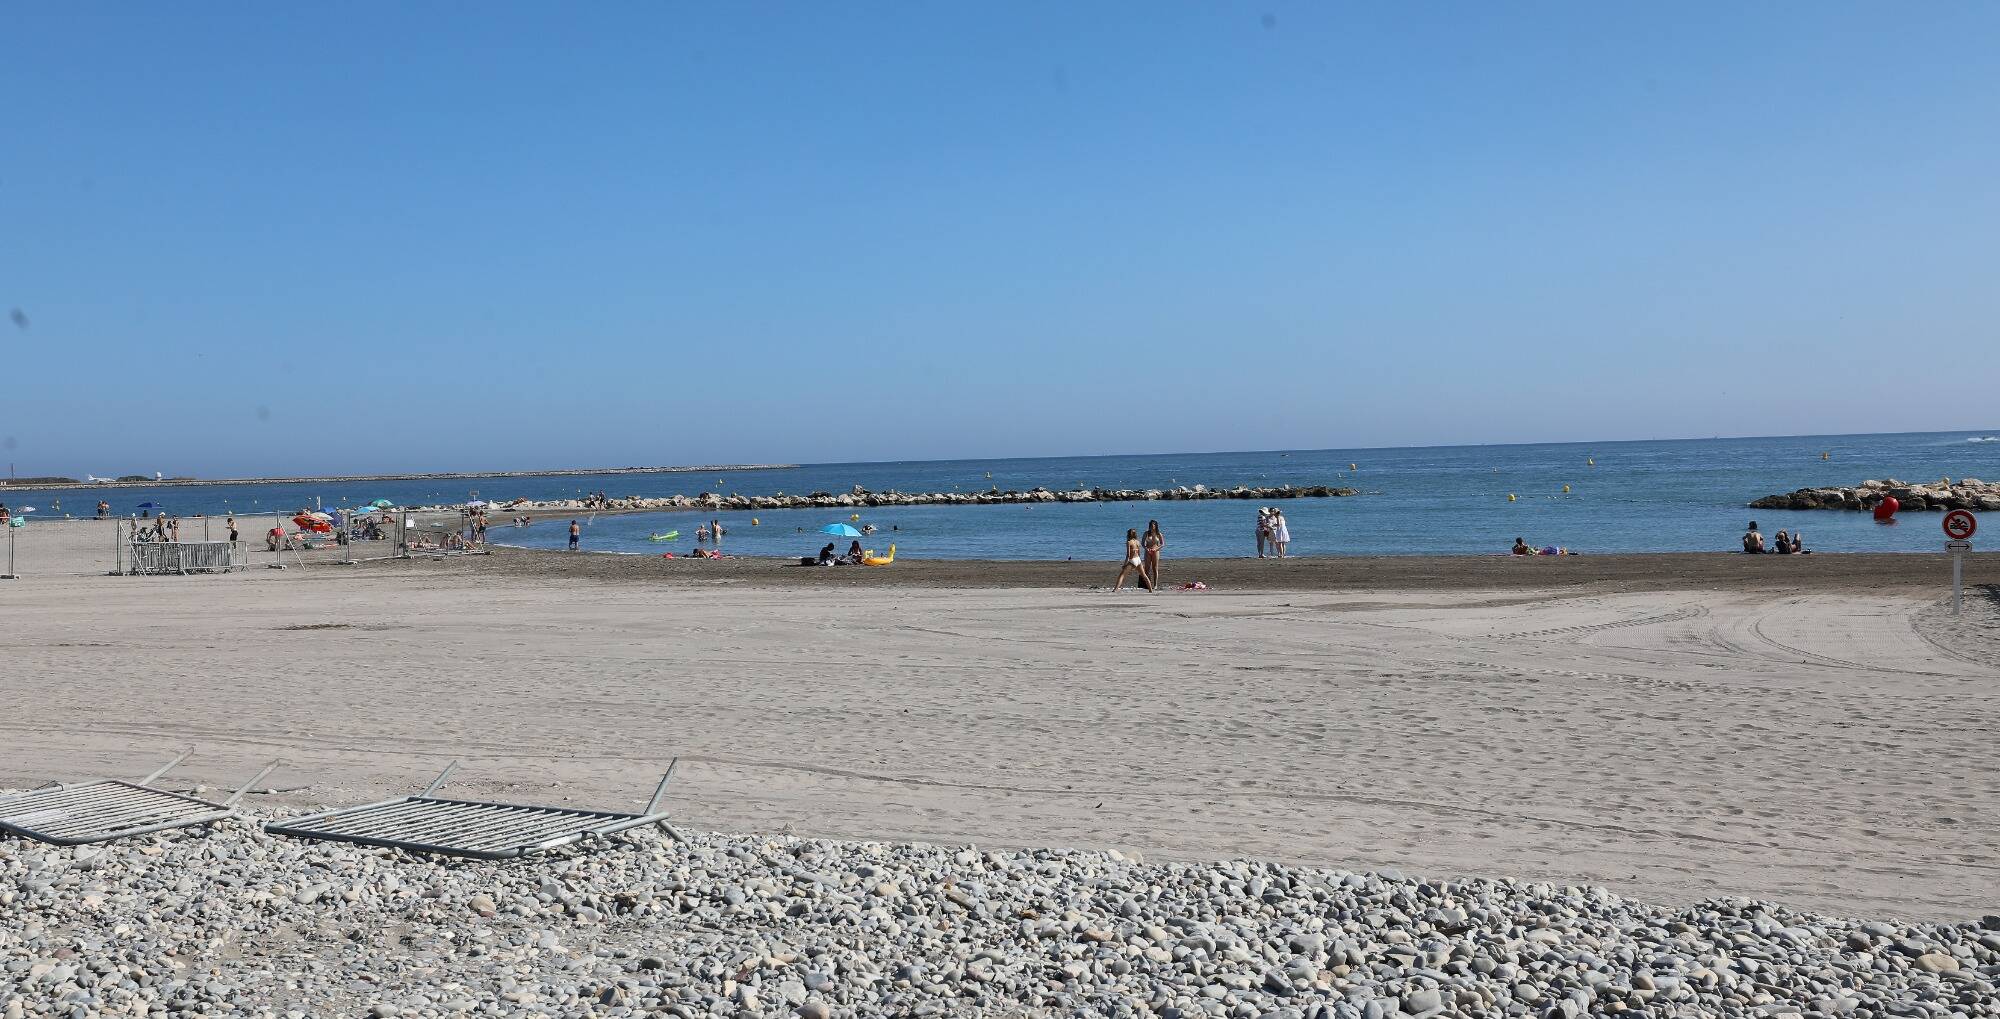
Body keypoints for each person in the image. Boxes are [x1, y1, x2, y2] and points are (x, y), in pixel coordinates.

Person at [1114, 528, 1155, 593]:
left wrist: (1125, 564)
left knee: (1122, 575)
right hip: (1138, 560)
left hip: (1132, 560)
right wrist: (1139, 562)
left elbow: (1128, 555)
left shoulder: (1129, 542)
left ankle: (1115, 590)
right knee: (1144, 575)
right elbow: (1139, 553)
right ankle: (1150, 590)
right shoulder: (1137, 542)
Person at [1142, 520, 1164, 587]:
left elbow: (1162, 544)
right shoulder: (1146, 533)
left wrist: (1156, 549)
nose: (1152, 526)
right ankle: (1147, 584)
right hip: (1148, 551)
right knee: (1147, 568)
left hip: (1155, 551)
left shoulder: (1159, 534)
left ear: (1156, 525)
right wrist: (1146, 549)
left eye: (1153, 525)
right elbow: (1142, 543)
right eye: (1151, 525)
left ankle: (1155, 585)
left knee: (1155, 568)